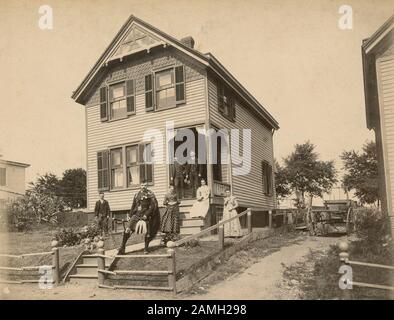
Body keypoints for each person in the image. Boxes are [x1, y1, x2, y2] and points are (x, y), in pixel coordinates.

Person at [118, 181, 160, 254]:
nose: (143, 186)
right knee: (127, 230)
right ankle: (123, 247)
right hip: (136, 215)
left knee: (147, 232)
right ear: (140, 185)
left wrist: (146, 215)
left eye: (145, 185)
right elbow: (133, 206)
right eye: (142, 185)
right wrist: (130, 216)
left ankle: (146, 248)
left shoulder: (150, 194)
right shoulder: (136, 195)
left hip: (145, 216)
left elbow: (153, 207)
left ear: (147, 186)